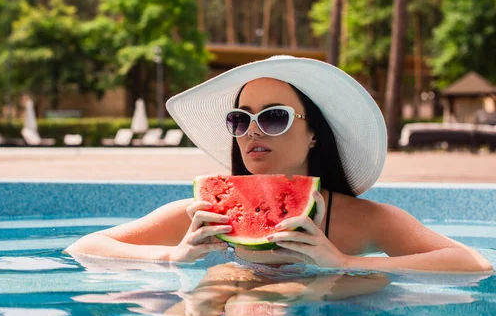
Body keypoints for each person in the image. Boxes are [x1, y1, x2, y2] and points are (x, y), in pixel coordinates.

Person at [66, 55, 492, 273]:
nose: (252, 131)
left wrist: (346, 264)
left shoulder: (358, 218)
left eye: (273, 117)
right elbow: (86, 248)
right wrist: (174, 258)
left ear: (313, 133)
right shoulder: (209, 215)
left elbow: (472, 264)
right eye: (240, 119)